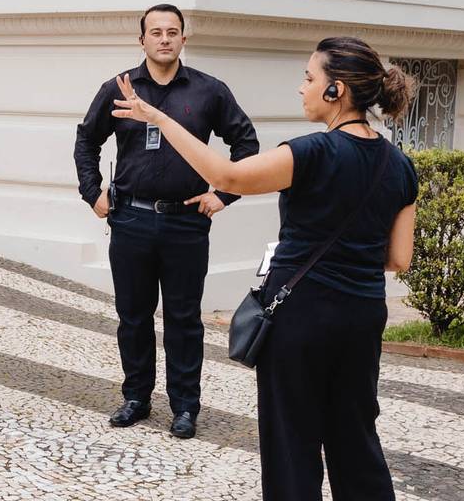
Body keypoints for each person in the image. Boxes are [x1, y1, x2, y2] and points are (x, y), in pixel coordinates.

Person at [111, 36, 417, 500]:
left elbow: (228, 177)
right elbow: (399, 258)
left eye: (310, 78)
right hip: (362, 315)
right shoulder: (400, 165)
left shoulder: (312, 152)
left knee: (292, 440)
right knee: (356, 438)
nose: (301, 88)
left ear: (336, 91)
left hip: (302, 315)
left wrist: (157, 117)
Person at [74, 3, 259, 438]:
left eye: (172, 32)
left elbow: (245, 143)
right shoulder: (118, 89)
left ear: (183, 39)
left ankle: (184, 407)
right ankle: (136, 397)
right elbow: (86, 139)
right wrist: (92, 191)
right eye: (155, 32)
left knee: (183, 319)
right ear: (142, 40)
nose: (163, 39)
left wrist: (224, 194)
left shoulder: (209, 91)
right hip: (131, 220)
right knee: (133, 316)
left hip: (186, 224)